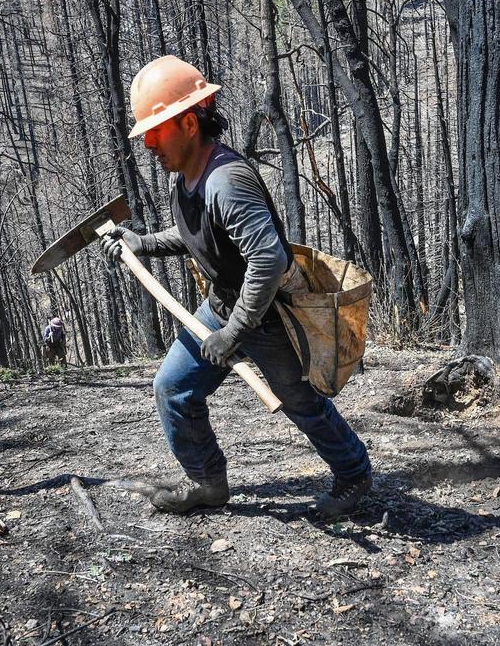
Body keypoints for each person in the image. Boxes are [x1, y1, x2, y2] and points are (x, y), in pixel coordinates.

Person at [101, 55, 372, 517]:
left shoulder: (227, 181)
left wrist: (235, 332)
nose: (148, 143)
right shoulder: (186, 177)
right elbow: (198, 235)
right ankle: (208, 481)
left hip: (265, 314)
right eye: (145, 132)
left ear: (188, 122)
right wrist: (142, 243)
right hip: (221, 306)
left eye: (156, 130)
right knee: (173, 387)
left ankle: (353, 474)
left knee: (301, 404)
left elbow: (268, 258)